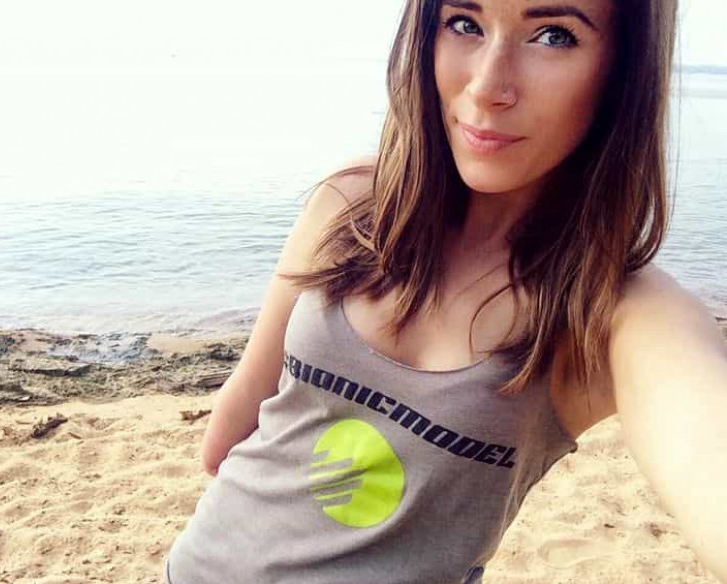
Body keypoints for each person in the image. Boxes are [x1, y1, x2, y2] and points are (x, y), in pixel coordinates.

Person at [164, 0, 727, 582]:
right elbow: (227, 433)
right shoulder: (350, 203)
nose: (486, 87)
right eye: (464, 23)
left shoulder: (612, 313)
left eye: (553, 36)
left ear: (623, 69)